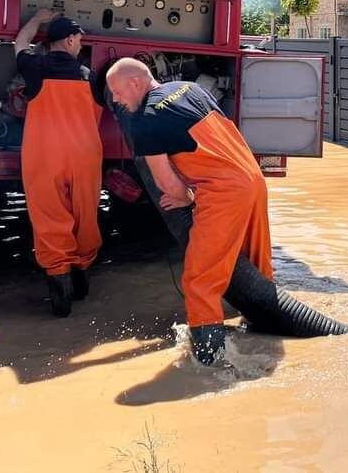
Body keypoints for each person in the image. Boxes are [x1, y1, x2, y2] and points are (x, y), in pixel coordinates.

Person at [105, 58, 273, 365]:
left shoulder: (144, 119)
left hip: (223, 193)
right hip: (253, 180)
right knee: (254, 263)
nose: (115, 99)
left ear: (134, 83)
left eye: (116, 92)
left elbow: (167, 184)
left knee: (199, 279)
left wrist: (185, 198)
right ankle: (267, 330)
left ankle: (210, 364)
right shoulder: (191, 88)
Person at [14, 10, 103, 317]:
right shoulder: (89, 76)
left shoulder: (34, 67)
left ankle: (61, 302)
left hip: (45, 156)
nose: (81, 45)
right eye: (79, 39)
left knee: (50, 218)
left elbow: (19, 42)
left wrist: (37, 19)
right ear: (67, 40)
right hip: (85, 156)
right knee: (85, 217)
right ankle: (82, 284)